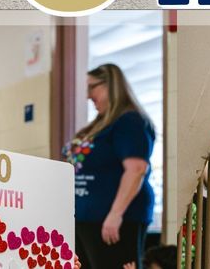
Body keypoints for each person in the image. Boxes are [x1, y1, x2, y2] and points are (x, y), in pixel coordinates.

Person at [64, 64, 155, 269]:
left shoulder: (130, 121)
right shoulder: (98, 126)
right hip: (86, 218)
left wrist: (115, 215)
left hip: (113, 220)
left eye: (92, 87)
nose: (88, 96)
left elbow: (136, 169)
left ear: (110, 86)